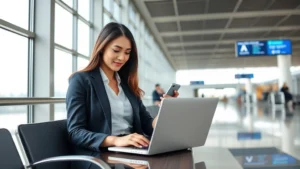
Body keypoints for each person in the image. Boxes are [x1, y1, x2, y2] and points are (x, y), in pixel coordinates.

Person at [66, 22, 179, 169]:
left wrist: (165, 109)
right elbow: (75, 132)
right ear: (102, 47)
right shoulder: (81, 80)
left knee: (174, 160)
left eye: (127, 52)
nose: (122, 57)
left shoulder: (127, 85)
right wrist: (115, 141)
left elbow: (148, 126)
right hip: (99, 156)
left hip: (129, 151)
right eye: (116, 50)